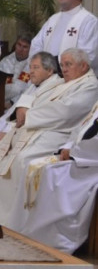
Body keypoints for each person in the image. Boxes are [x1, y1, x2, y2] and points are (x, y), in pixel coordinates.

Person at [0, 47, 98, 228]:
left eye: (68, 64)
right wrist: (23, 107)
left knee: (22, 160)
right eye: (62, 65)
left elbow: (65, 112)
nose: (64, 69)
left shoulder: (90, 86)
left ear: (83, 66)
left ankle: (14, 222)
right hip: (35, 128)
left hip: (57, 133)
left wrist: (28, 115)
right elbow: (34, 96)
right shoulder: (62, 82)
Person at [0, 51, 58, 209]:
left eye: (36, 67)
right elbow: (11, 113)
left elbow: (32, 120)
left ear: (49, 70)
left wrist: (8, 134)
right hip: (10, 133)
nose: (31, 71)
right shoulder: (32, 87)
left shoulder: (53, 89)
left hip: (25, 139)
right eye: (30, 67)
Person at [19, 99, 98, 253]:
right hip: (84, 157)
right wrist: (67, 147)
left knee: (56, 175)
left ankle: (60, 240)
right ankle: (39, 234)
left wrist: (74, 152)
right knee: (42, 168)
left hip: (91, 163)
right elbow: (82, 129)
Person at [29, 0, 98, 71]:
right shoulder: (53, 19)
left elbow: (89, 54)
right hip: (47, 73)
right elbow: (36, 44)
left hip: (71, 75)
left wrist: (61, 67)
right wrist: (40, 66)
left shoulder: (89, 21)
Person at [0, 33, 33, 107]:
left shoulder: (32, 66)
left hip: (20, 105)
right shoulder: (5, 61)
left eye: (25, 47)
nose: (20, 49)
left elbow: (31, 90)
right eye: (19, 45)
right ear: (15, 45)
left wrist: (12, 102)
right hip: (0, 103)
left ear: (30, 49)